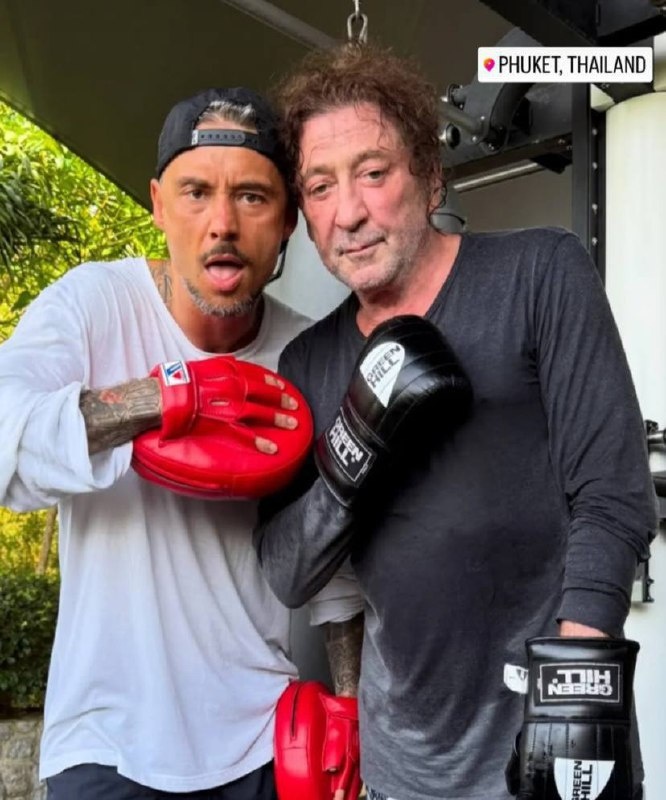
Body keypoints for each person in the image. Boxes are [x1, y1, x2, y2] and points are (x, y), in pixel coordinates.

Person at [253, 44, 657, 800]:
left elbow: (614, 494)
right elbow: (287, 573)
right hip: (405, 767)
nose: (349, 212)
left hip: (548, 743)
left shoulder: (539, 275)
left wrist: (572, 700)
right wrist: (349, 458)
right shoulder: (310, 362)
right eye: (321, 186)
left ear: (430, 174)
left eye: (374, 172)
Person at [0, 86, 362, 799]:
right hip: (105, 747)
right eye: (196, 193)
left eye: (252, 197)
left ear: (289, 220)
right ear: (159, 205)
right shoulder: (93, 305)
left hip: (261, 747)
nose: (222, 224)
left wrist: (350, 706)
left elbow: (333, 565)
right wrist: (162, 398)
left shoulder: (307, 355)